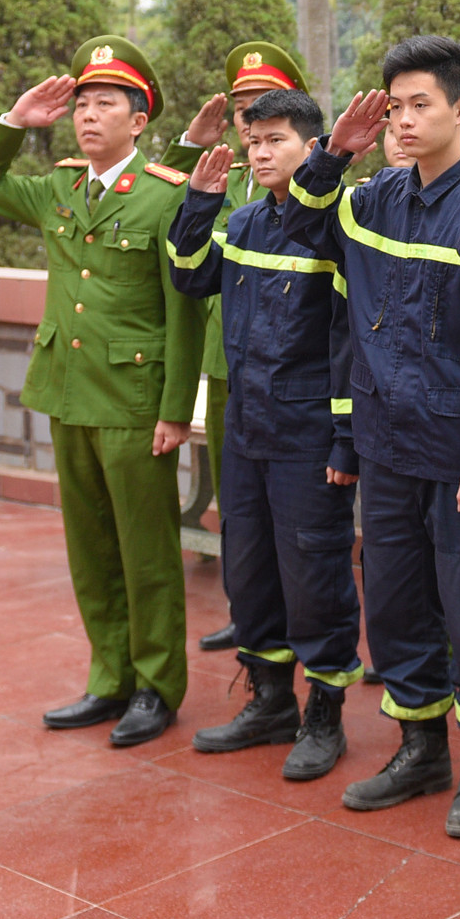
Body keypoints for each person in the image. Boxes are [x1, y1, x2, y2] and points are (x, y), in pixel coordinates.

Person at [279, 35, 460, 839]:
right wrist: (331, 156)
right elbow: (299, 227)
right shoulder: (370, 201)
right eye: (394, 106)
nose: (403, 119)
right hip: (388, 444)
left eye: (420, 103)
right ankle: (420, 746)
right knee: (394, 607)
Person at [0, 36, 203, 748]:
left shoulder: (166, 196)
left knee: (147, 551)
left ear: (140, 120)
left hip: (134, 400)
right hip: (69, 391)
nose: (88, 117)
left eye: (106, 105)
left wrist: (173, 411)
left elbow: (182, 310)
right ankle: (109, 676)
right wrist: (14, 122)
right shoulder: (59, 187)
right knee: (91, 546)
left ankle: (158, 685)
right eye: (82, 106)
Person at [166, 88, 362, 775]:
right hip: (246, 430)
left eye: (276, 139)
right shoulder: (242, 222)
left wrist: (345, 439)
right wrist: (198, 197)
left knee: (315, 573)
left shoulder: (337, 221)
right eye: (253, 142)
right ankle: (271, 696)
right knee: (248, 571)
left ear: (312, 147)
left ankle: (325, 710)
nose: (260, 152)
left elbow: (348, 342)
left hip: (308, 431)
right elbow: (189, 276)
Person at [164, 41, 314, 657]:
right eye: (243, 113)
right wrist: (191, 155)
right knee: (241, 512)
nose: (253, 132)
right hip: (232, 369)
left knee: (300, 528)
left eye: (266, 117)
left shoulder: (321, 192)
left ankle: (300, 633)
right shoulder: (229, 179)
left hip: (300, 384)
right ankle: (248, 611)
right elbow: (177, 240)